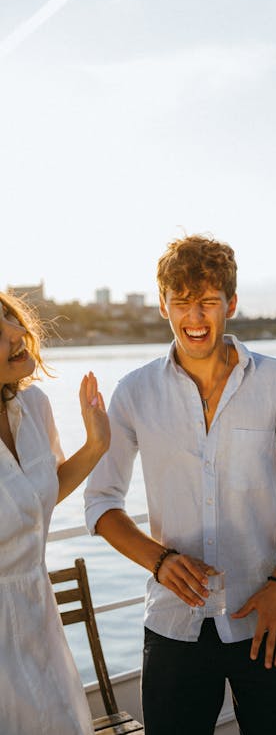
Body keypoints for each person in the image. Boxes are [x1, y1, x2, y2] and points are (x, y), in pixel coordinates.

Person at [84, 235, 276, 735]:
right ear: (163, 307)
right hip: (174, 624)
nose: (194, 317)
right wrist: (159, 560)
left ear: (231, 304)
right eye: (181, 302)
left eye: (207, 302)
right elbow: (100, 502)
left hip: (268, 615)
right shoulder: (133, 392)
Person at [0, 292, 110, 734]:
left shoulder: (34, 406)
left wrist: (96, 445)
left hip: (38, 618)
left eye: (10, 317)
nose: (17, 331)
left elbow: (33, 501)